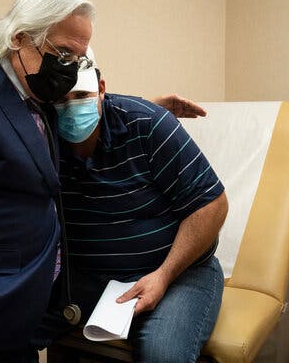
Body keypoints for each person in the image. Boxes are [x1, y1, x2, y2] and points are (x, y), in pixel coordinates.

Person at [0, 0, 208, 363]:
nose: (67, 69)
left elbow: (77, 114)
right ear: (19, 38)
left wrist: (142, 111)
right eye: (63, 52)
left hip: (15, 323)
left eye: (78, 58)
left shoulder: (35, 100)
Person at [36, 50, 228, 363]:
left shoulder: (148, 123)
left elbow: (213, 205)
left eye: (81, 95)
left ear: (101, 89)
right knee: (10, 328)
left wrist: (163, 276)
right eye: (61, 99)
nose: (71, 108)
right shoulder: (43, 135)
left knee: (162, 355)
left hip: (178, 273)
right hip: (90, 276)